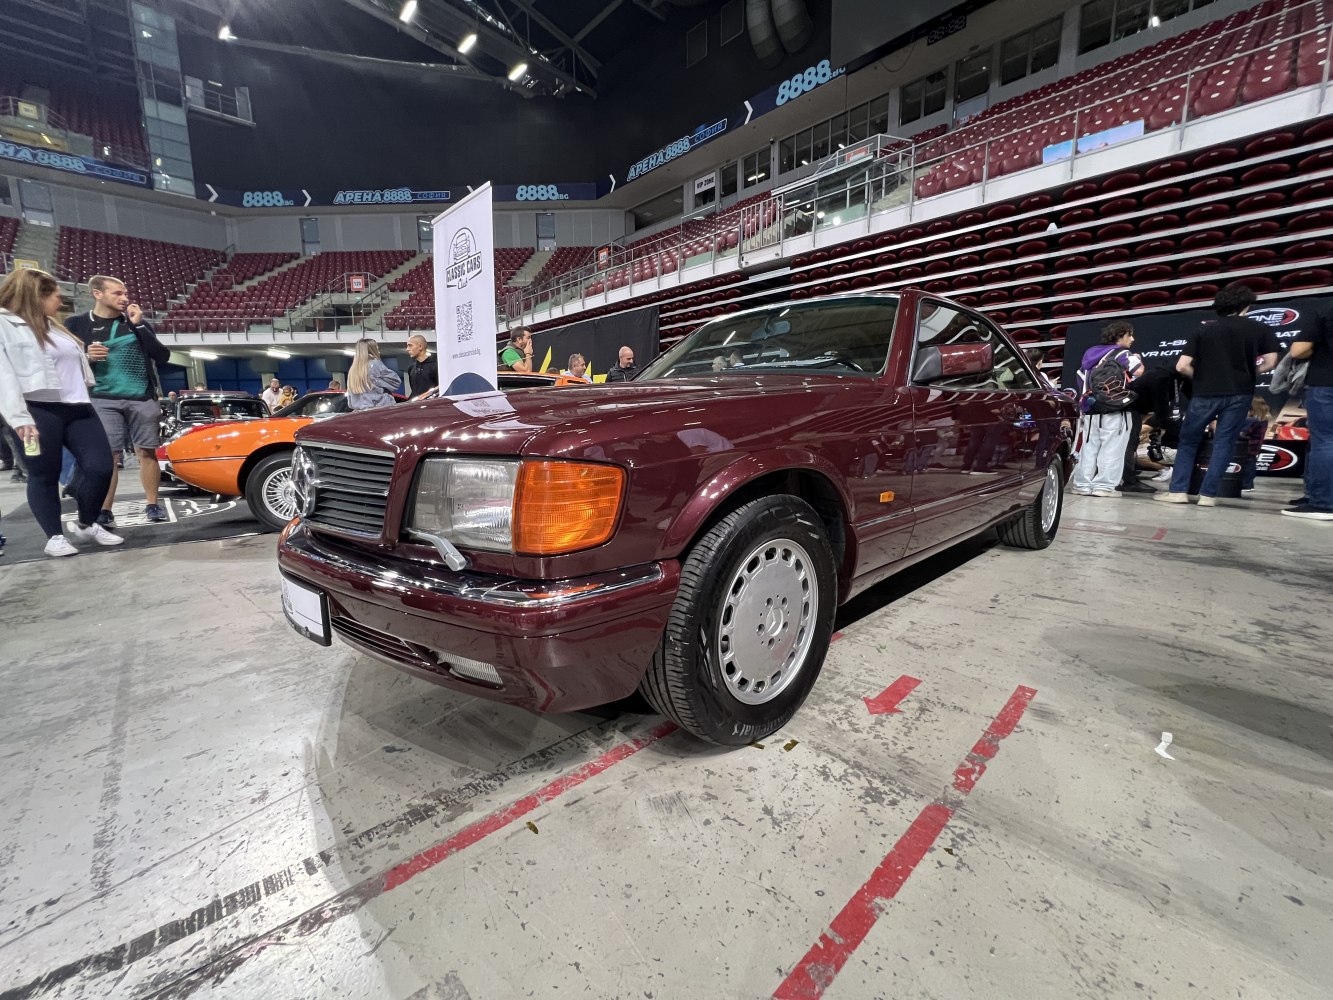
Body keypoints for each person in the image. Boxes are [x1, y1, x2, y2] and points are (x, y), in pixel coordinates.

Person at [0, 269, 122, 557]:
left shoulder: (53, 326)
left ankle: (86, 522)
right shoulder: (5, 325)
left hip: (78, 406)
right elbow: (3, 376)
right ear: (35, 296)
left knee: (101, 466)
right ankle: (54, 536)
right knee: (43, 474)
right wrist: (18, 419)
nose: (61, 301)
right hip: (36, 410)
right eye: (56, 296)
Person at [1156, 283, 1280, 506]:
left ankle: (1178, 492)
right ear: (1246, 305)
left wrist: (1201, 378)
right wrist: (1250, 373)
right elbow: (1271, 362)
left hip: (1205, 393)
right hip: (1240, 393)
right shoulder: (1259, 328)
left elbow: (1182, 366)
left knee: (1188, 441)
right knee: (1225, 442)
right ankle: (1208, 496)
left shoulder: (1204, 329)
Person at [65, 275, 171, 525]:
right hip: (102, 398)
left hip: (141, 397)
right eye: (117, 293)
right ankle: (104, 509)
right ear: (97, 293)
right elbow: (63, 364)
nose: (124, 298)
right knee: (109, 457)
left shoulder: (135, 323)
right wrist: (86, 356)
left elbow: (162, 356)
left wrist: (140, 326)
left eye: (125, 293)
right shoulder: (77, 323)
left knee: (147, 452)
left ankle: (153, 505)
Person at [1071, 321, 1143, 497]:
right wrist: (1138, 360)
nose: (1132, 339)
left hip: (1090, 407)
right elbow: (1139, 371)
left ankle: (1082, 484)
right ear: (1120, 335)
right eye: (1129, 334)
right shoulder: (1122, 353)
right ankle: (1104, 487)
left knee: (1089, 447)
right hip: (1115, 408)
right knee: (1112, 448)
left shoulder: (1090, 353)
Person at [1284, 303, 1333, 520]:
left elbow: (1299, 349)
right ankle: (1315, 494)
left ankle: (1322, 503)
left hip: (1326, 381)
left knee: (1324, 442)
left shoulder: (1325, 308)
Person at [346, 338, 401, 410]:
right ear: (373, 350)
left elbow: (351, 400)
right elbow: (396, 382)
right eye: (377, 348)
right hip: (380, 411)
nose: (378, 351)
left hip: (360, 412)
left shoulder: (353, 370)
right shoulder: (375, 364)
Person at [1238, 398, 1270, 494]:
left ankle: (1246, 485)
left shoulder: (1252, 420)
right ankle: (1248, 484)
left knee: (1246, 465)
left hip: (1248, 446)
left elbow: (1242, 433)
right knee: (1250, 464)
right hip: (1255, 446)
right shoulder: (1263, 419)